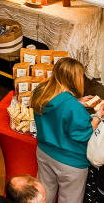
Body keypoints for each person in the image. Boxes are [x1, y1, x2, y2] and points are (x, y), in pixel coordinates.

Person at [32, 57, 101, 203]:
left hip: (44, 153)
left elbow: (58, 107)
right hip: (71, 163)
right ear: (75, 79)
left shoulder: (41, 92)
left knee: (44, 196)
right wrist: (98, 116)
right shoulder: (72, 107)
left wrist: (75, 101)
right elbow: (85, 133)